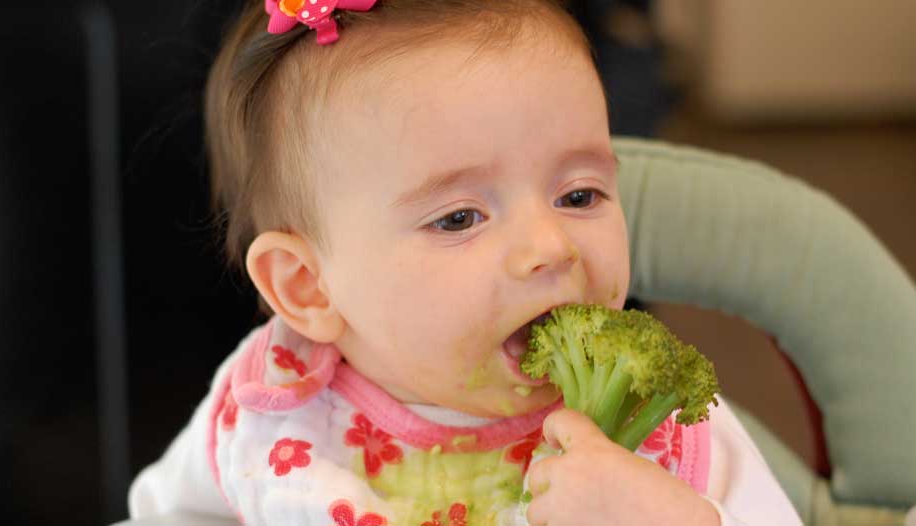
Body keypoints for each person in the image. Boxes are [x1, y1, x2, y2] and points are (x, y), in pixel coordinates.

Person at [129, 1, 802, 524]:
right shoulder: (274, 410)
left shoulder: (658, 424)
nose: (550, 246)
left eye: (579, 195)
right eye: (458, 218)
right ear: (308, 288)